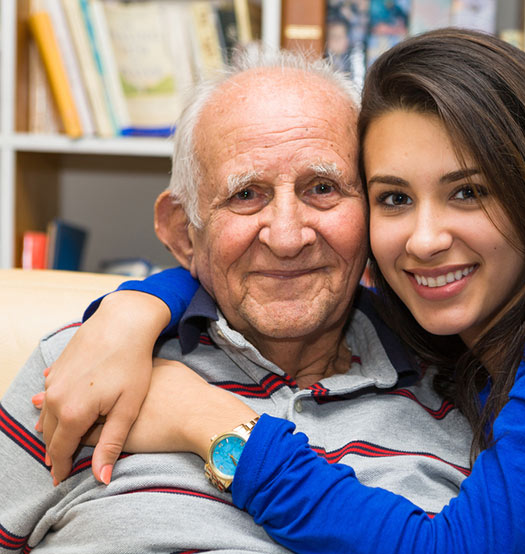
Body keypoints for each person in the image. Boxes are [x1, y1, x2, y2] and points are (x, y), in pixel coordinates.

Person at [39, 29, 525, 552]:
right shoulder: (440, 343)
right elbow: (272, 268)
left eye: (468, 192)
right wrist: (139, 306)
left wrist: (213, 423)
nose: (423, 239)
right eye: (393, 199)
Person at [0, 48, 472, 552]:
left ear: (376, 216)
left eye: (322, 188)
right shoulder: (86, 368)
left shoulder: (461, 390)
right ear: (185, 232)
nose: (287, 237)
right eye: (246, 194)